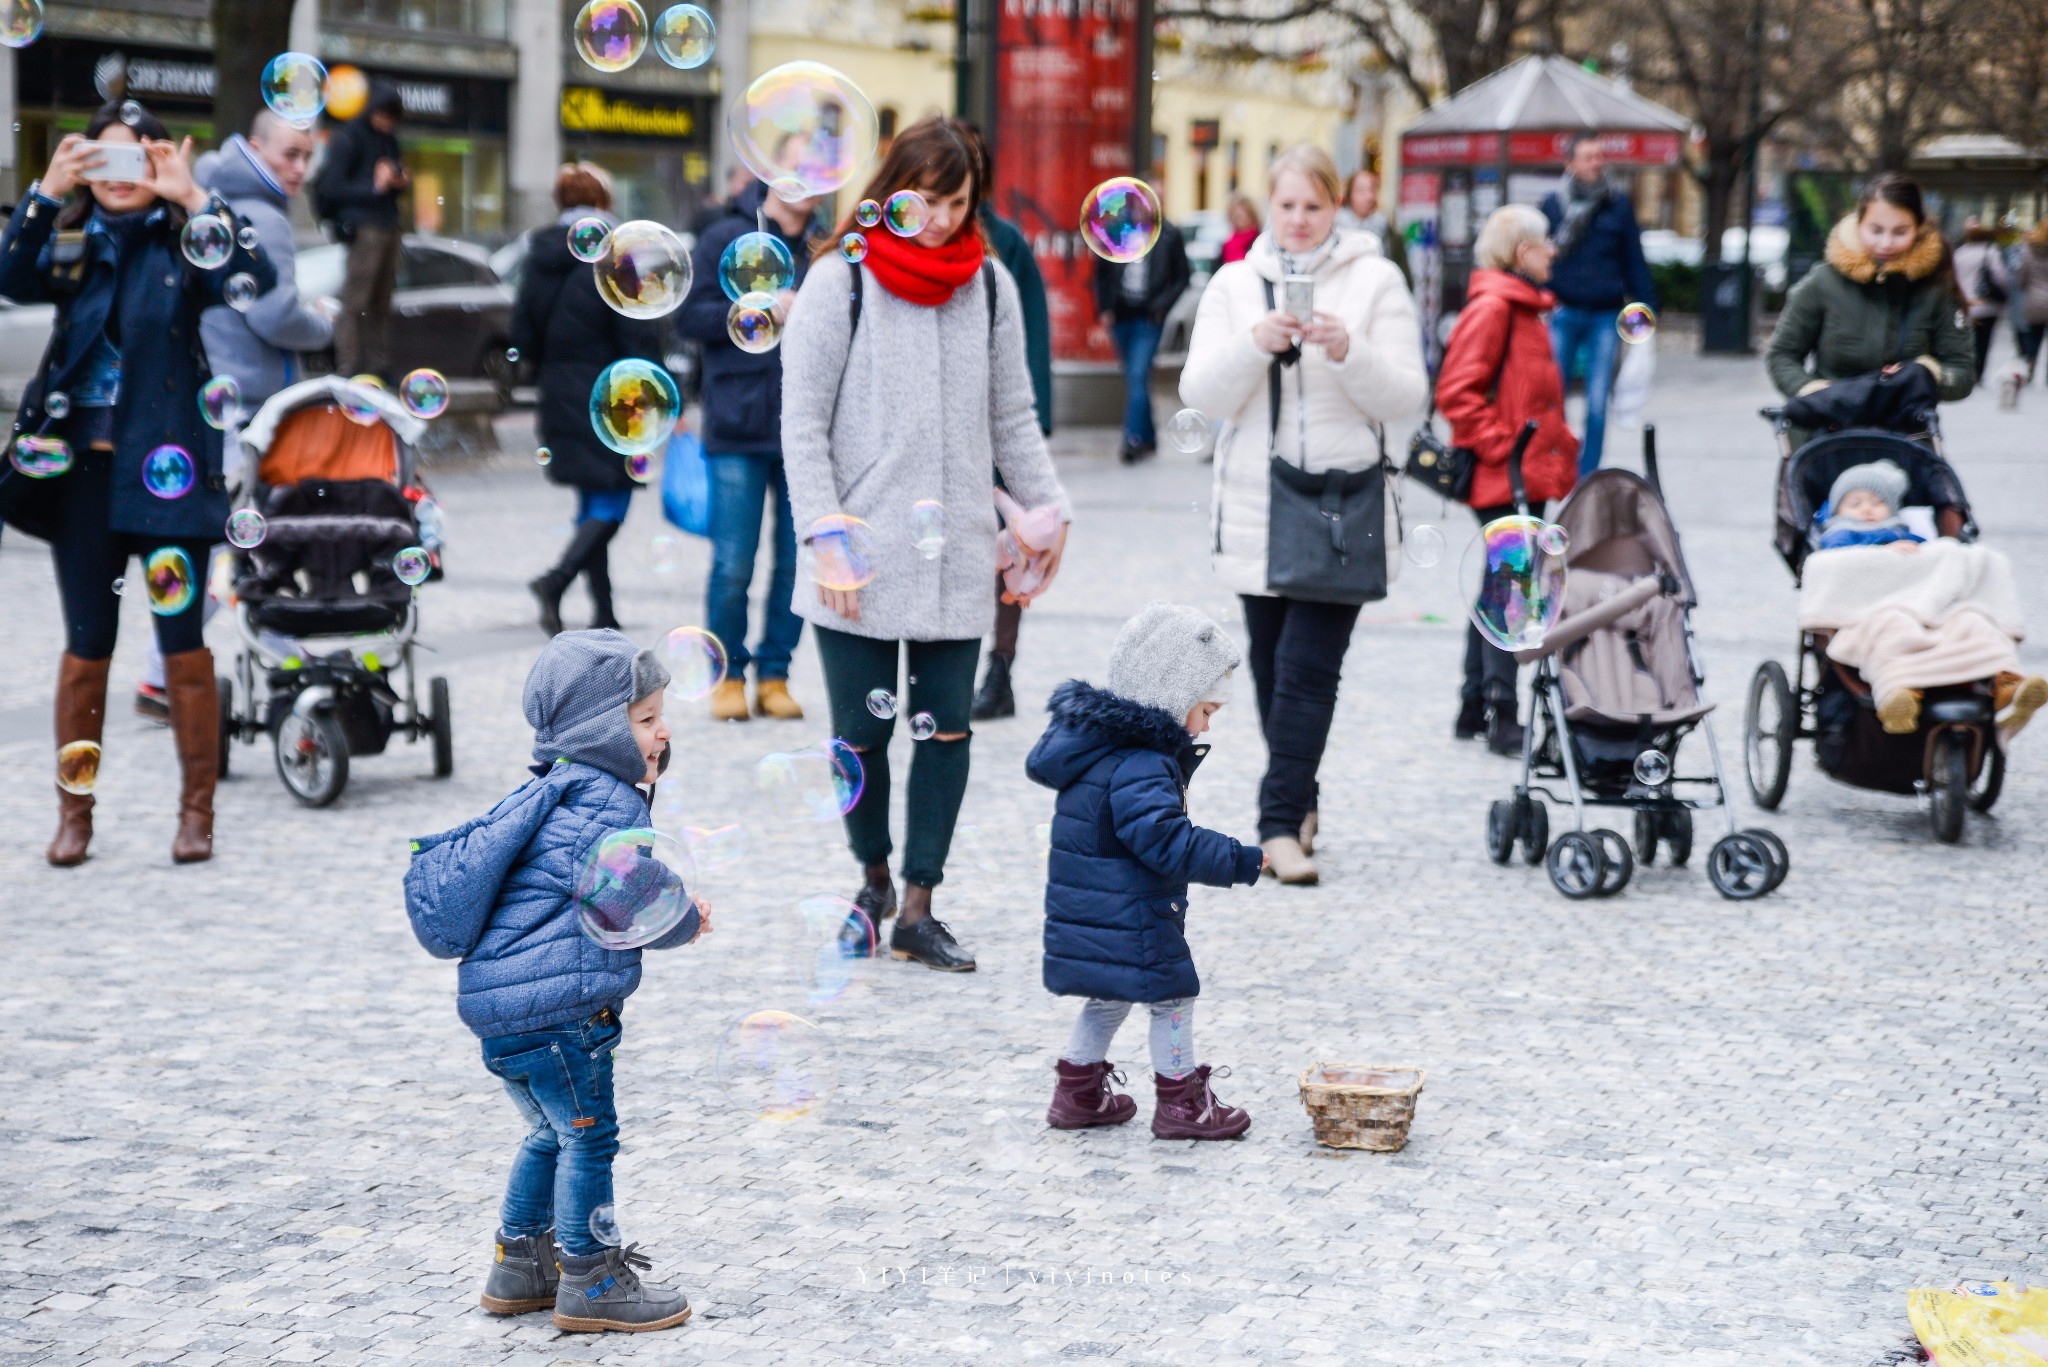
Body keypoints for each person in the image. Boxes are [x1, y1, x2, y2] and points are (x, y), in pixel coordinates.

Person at [781, 116, 1071, 972]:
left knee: (946, 730)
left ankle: (919, 903)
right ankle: (869, 880)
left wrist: (1049, 508)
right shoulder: (842, 281)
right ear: (889, 189)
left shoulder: (988, 287)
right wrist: (825, 535)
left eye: (957, 201)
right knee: (858, 737)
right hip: (857, 554)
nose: (941, 219)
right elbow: (801, 426)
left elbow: (1012, 416)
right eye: (926, 199)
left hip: (954, 553)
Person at [403, 630, 707, 1334]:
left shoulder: (554, 786)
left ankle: (520, 1263)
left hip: (504, 1015)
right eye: (645, 719)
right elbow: (629, 897)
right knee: (589, 1136)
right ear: (600, 732)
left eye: (661, 714)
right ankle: (591, 1276)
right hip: (562, 1014)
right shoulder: (606, 803)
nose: (663, 730)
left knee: (547, 1131)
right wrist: (688, 920)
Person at [0, 101, 275, 866]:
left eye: (137, 160)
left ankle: (196, 814)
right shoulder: (74, 246)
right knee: (87, 645)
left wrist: (194, 198)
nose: (121, 178)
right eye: (104, 160)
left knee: (180, 644)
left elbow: (257, 276)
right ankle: (75, 814)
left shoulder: (188, 248)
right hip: (82, 479)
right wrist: (47, 191)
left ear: (159, 164)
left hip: (169, 481)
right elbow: (9, 276)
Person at [1179, 144, 1428, 886]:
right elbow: (1203, 394)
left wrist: (1348, 350)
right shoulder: (1233, 283)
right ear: (1270, 205)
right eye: (1285, 205)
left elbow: (1407, 399)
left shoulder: (1376, 280)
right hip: (1255, 505)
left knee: (1306, 671)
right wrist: (1256, 344)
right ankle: (1302, 794)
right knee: (1268, 666)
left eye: (1312, 206)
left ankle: (1278, 824)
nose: (1297, 220)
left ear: (1337, 209)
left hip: (1338, 508)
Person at [1029, 603, 1267, 1140]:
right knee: (1173, 998)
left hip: (1101, 908)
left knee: (1109, 995)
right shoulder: (1143, 761)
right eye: (1206, 710)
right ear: (1171, 695)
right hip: (1133, 908)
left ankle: (1077, 1092)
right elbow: (1165, 842)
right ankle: (1182, 1102)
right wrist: (1239, 859)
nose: (1208, 724)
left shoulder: (1101, 750)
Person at [134, 111, 332, 723]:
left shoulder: (217, 200)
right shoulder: (263, 217)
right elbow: (273, 315)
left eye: (307, 157)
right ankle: (165, 671)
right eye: (289, 154)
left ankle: (182, 666)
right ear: (255, 147)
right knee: (240, 540)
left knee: (244, 538)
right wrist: (323, 318)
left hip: (226, 398)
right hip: (247, 408)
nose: (299, 168)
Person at [1437, 205, 1581, 756]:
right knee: (1513, 585)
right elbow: (1456, 392)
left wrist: (1557, 448)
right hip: (1504, 476)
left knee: (1501, 580)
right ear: (1523, 251)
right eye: (1546, 244)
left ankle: (1472, 706)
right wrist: (1509, 448)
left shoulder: (1527, 311)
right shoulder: (1495, 308)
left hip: (1526, 474)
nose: (1553, 254)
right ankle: (1504, 715)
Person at [678, 172, 818, 722]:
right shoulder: (726, 237)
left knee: (794, 564)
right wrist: (760, 308)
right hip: (738, 423)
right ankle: (729, 674)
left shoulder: (828, 246)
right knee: (733, 562)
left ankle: (775, 674)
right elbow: (689, 317)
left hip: (806, 427)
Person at [514, 163, 667, 636]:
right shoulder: (615, 257)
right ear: (604, 204)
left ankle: (604, 612)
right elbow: (635, 332)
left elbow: (523, 335)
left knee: (590, 504)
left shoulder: (539, 256)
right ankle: (556, 581)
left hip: (559, 391)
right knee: (611, 503)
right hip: (613, 393)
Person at [970, 126, 1055, 724]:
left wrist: (1034, 427)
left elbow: (1033, 341)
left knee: (1012, 551)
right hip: (940, 429)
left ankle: (999, 667)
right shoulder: (901, 240)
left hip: (996, 422)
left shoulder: (1006, 244)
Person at [1766, 174, 1974, 406]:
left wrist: (1928, 374)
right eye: (1876, 231)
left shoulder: (1936, 287)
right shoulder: (1822, 282)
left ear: (1918, 229)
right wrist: (1812, 391)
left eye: (1900, 232)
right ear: (1858, 225)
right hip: (1828, 428)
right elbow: (1782, 354)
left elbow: (1962, 372)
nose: (1886, 243)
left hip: (1904, 431)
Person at [1539, 136, 1655, 477]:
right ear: (1570, 163)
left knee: (1597, 402)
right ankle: (1556, 464)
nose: (1596, 163)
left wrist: (1647, 305)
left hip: (1605, 315)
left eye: (1600, 157)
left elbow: (1634, 258)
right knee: (1552, 396)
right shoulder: (1553, 205)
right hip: (1564, 311)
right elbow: (1540, 259)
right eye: (1588, 157)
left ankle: (1586, 474)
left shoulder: (1617, 204)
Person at [318, 80, 408, 379]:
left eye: (392, 118)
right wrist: (373, 187)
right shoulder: (348, 137)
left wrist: (398, 184)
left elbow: (394, 182)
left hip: (389, 226)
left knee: (382, 301)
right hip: (364, 228)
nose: (387, 123)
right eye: (383, 115)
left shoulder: (389, 140)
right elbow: (332, 187)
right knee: (355, 301)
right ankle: (350, 365)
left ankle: (379, 366)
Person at [1093, 210, 1190, 463]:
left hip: (1149, 318)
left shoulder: (1168, 234)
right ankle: (1149, 438)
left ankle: (1132, 440)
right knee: (1135, 377)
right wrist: (1105, 307)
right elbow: (1102, 272)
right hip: (1121, 316)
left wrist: (1162, 308)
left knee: (1137, 375)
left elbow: (1182, 277)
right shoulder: (1118, 230)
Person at [1813, 460, 1923, 550]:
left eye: (1876, 503)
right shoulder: (1841, 533)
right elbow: (1837, 557)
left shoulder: (1900, 531)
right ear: (1837, 512)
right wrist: (1884, 551)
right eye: (1855, 504)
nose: (1867, 509)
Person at [1955, 218, 2009, 387]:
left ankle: (1966, 371)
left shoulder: (1960, 252)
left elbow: (1953, 278)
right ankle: (1978, 373)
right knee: (1983, 341)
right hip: (1987, 304)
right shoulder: (1991, 251)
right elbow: (2001, 276)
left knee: (1965, 339)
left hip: (1965, 303)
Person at [1335, 168, 1407, 280]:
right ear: (1350, 195)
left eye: (1372, 190)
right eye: (1361, 191)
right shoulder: (1335, 232)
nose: (1369, 197)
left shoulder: (1388, 232)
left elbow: (1402, 274)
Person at [2015, 221, 2048, 386]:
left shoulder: (2029, 251)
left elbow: (2021, 277)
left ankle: (2031, 368)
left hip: (2034, 301)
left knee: (2033, 338)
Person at [1220, 194, 1260, 264]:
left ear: (1251, 214)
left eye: (1243, 211)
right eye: (1234, 212)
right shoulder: (1228, 243)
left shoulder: (1259, 241)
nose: (1238, 215)